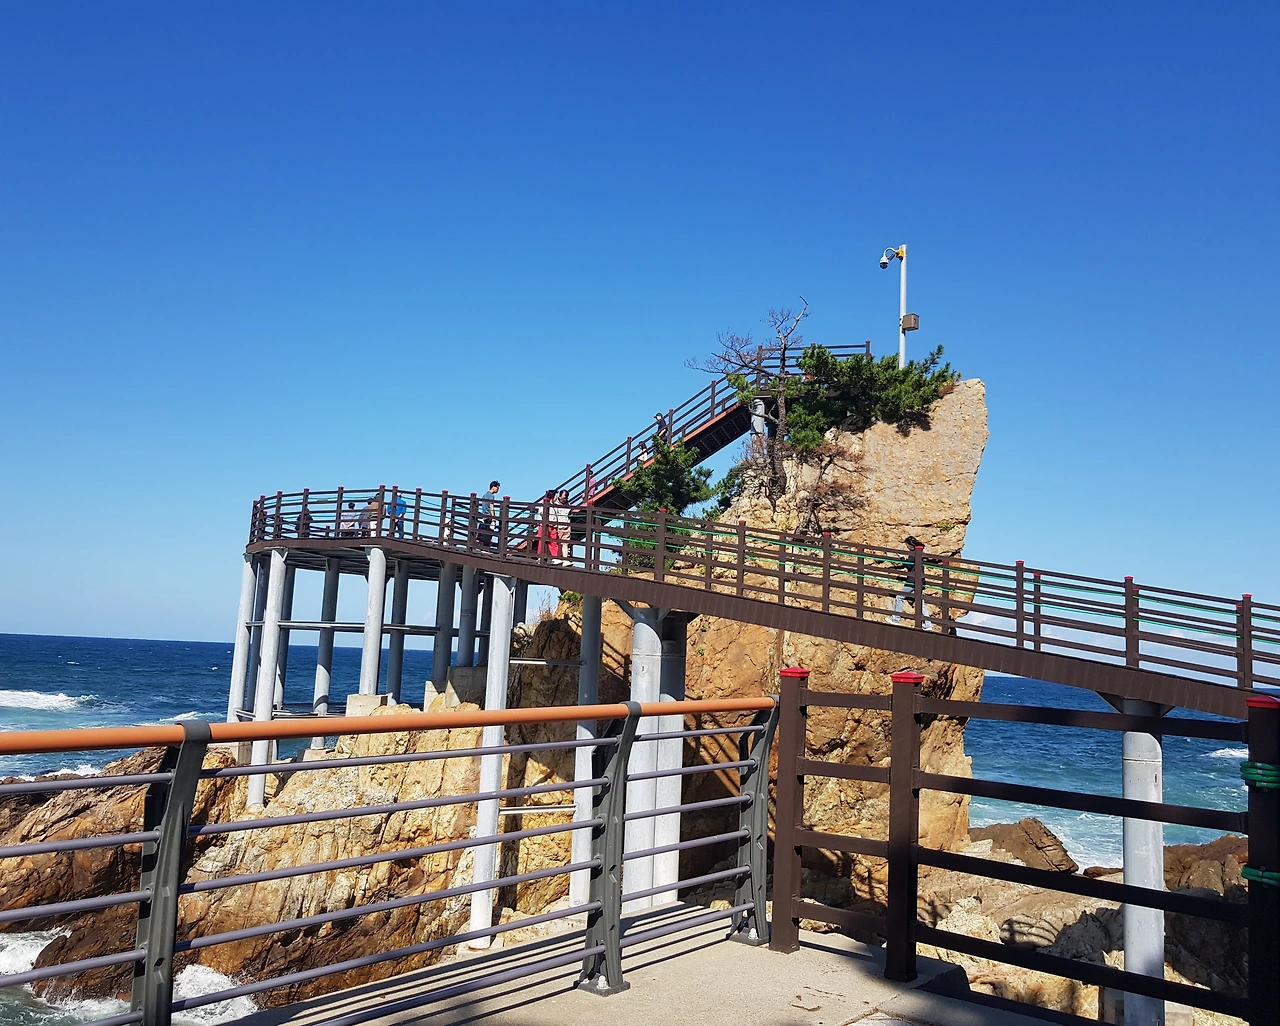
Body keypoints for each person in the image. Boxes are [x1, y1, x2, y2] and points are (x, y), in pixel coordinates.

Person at [888, 535, 934, 631]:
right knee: (921, 602)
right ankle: (928, 624)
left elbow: (909, 567)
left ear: (910, 545)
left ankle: (895, 619)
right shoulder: (920, 552)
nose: (907, 547)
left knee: (900, 597)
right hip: (921, 581)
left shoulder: (913, 554)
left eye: (907, 545)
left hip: (912, 581)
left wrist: (902, 559)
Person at [477, 480, 500, 547]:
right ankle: (486, 546)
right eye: (497, 488)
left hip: (484, 515)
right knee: (489, 532)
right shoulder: (491, 496)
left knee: (484, 531)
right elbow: (491, 506)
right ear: (493, 487)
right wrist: (493, 517)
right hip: (489, 516)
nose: (498, 490)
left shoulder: (484, 495)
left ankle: (480, 543)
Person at [553, 489, 572, 565]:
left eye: (566, 498)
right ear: (560, 496)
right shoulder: (554, 504)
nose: (565, 500)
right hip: (557, 527)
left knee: (565, 544)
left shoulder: (568, 504)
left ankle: (565, 559)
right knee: (557, 544)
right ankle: (557, 559)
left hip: (566, 526)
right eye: (564, 498)